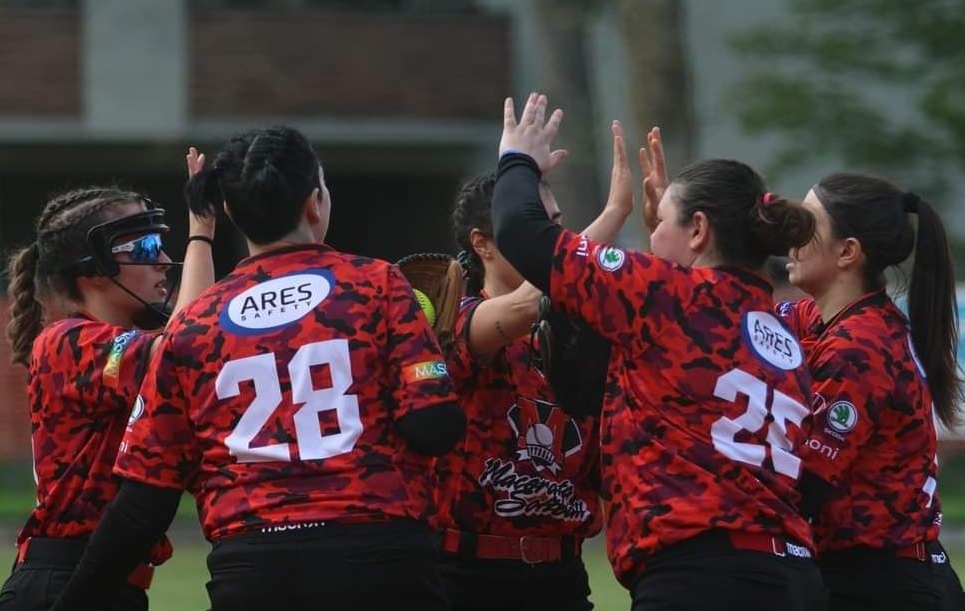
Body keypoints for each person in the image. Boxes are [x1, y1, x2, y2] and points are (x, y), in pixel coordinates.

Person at [48, 126, 466, 611]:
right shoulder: (377, 284)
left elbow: (144, 502)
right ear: (315, 202)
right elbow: (434, 427)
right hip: (379, 558)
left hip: (254, 570)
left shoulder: (195, 323)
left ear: (228, 212)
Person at [490, 93, 826, 610]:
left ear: (697, 230)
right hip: (792, 572)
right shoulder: (779, 331)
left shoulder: (666, 295)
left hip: (702, 576)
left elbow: (520, 230)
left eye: (663, 220)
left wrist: (516, 158)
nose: (653, 232)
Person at [0, 149, 217, 611]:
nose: (164, 261)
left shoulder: (125, 345)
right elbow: (188, 345)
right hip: (61, 580)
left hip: (108, 581)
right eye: (147, 248)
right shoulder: (65, 341)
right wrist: (203, 232)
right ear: (93, 267)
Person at [437, 121, 629, 611]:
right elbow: (528, 303)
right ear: (483, 242)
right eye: (533, 225)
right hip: (466, 575)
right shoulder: (458, 317)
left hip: (560, 574)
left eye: (554, 224)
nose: (551, 239)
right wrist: (610, 218)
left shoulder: (577, 328)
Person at [779, 173, 965, 610]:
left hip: (884, 585)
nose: (792, 237)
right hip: (874, 577)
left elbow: (806, 484)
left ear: (848, 252)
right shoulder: (833, 319)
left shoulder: (858, 346)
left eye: (806, 225)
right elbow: (737, 320)